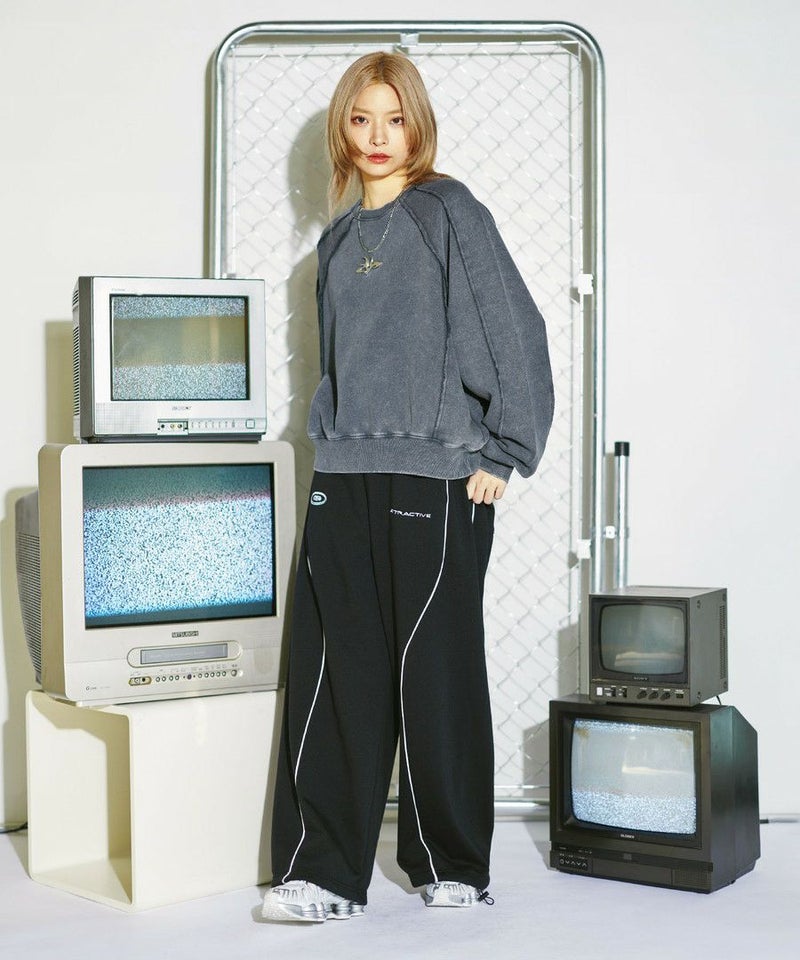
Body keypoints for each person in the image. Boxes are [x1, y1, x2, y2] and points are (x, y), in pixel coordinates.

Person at [261, 51, 554, 924]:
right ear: (342, 129)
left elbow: (513, 329)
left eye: (394, 118)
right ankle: (322, 872)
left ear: (417, 123)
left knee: (435, 671)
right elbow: (339, 365)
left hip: (440, 476)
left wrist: (506, 449)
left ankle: (452, 864)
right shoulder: (334, 242)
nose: (378, 136)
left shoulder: (449, 212)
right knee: (333, 676)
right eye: (361, 119)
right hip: (343, 475)